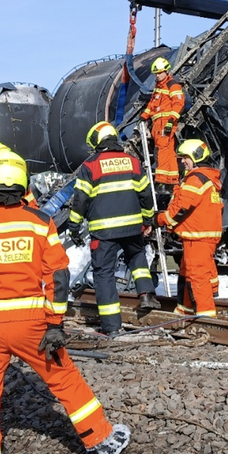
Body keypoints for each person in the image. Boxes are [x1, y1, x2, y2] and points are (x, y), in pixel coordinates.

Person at [0, 158, 131, 454]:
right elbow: (58, 274)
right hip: (31, 325)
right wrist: (55, 323)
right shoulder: (39, 222)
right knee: (64, 379)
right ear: (22, 184)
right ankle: (101, 441)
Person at [68, 121, 159, 333]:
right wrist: (147, 220)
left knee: (104, 275)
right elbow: (145, 194)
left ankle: (112, 327)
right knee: (136, 258)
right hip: (132, 227)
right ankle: (146, 294)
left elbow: (80, 200)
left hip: (104, 231)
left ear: (98, 142)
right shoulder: (133, 162)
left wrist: (74, 225)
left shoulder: (90, 166)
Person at [157, 139, 223, 318]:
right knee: (188, 273)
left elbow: (181, 207)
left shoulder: (195, 179)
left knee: (197, 277)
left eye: (186, 157)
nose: (183, 161)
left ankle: (207, 318)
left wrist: (160, 219)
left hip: (197, 237)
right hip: (201, 236)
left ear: (197, 157)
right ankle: (184, 310)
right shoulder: (208, 179)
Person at [140, 57, 185, 187]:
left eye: (160, 73)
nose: (158, 76)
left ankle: (163, 179)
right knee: (164, 150)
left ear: (166, 71)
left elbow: (178, 103)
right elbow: (152, 104)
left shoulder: (172, 85)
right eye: (156, 73)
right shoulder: (158, 88)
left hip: (165, 123)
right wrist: (144, 116)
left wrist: (171, 121)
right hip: (157, 124)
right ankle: (169, 179)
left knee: (164, 150)